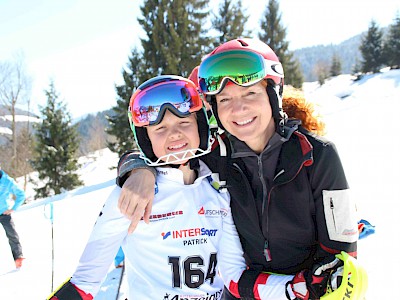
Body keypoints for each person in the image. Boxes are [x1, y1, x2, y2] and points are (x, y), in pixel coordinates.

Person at [115, 39, 368, 299]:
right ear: (214, 109)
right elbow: (165, 152)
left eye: (250, 93)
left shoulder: (316, 156)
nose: (238, 109)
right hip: (247, 290)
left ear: (273, 94)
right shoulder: (217, 156)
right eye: (224, 99)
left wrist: (314, 286)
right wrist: (138, 169)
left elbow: (340, 259)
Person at [50, 75, 300, 300]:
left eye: (184, 123)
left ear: (201, 126)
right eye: (160, 129)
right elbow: (84, 283)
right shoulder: (132, 193)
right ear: (146, 138)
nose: (174, 135)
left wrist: (297, 289)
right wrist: (138, 168)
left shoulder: (219, 187)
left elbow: (234, 276)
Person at [0, 168, 25, 269]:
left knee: (12, 235)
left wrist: (13, 208)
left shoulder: (7, 181)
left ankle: (18, 258)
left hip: (4, 213)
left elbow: (21, 194)